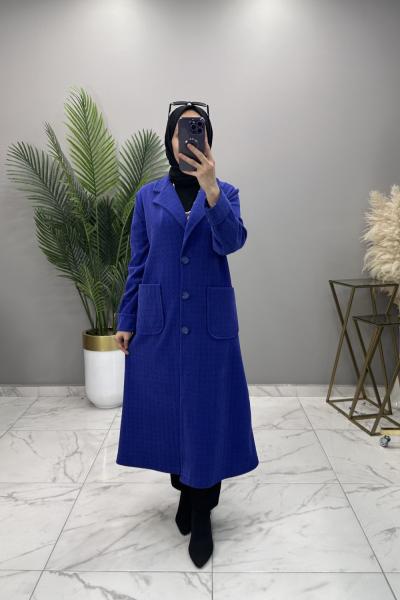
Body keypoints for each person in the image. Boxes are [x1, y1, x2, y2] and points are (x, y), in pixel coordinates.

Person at [114, 101, 259, 569]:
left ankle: (202, 511)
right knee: (170, 411)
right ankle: (183, 490)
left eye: (198, 131)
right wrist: (126, 318)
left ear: (208, 140)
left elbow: (231, 242)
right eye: (182, 131)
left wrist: (211, 189)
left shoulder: (226, 192)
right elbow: (138, 262)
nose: (189, 139)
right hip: (159, 321)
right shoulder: (147, 197)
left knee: (207, 414)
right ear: (170, 139)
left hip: (210, 328)